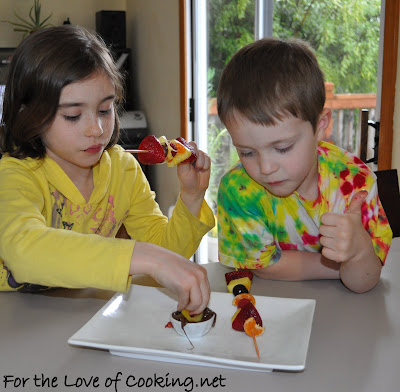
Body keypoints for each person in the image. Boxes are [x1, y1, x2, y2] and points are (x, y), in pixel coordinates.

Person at [0, 25, 215, 314]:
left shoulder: (123, 170)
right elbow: (23, 252)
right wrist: (145, 256)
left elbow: (168, 255)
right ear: (30, 115)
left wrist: (190, 198)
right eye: (73, 115)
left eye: (105, 110)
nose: (97, 129)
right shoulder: (15, 174)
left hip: (80, 316)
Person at [216, 37, 392, 293]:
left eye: (283, 148)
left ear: (320, 126)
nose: (265, 168)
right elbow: (262, 266)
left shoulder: (353, 184)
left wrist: (358, 252)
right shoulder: (238, 191)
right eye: (246, 152)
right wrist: (337, 267)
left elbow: (365, 282)